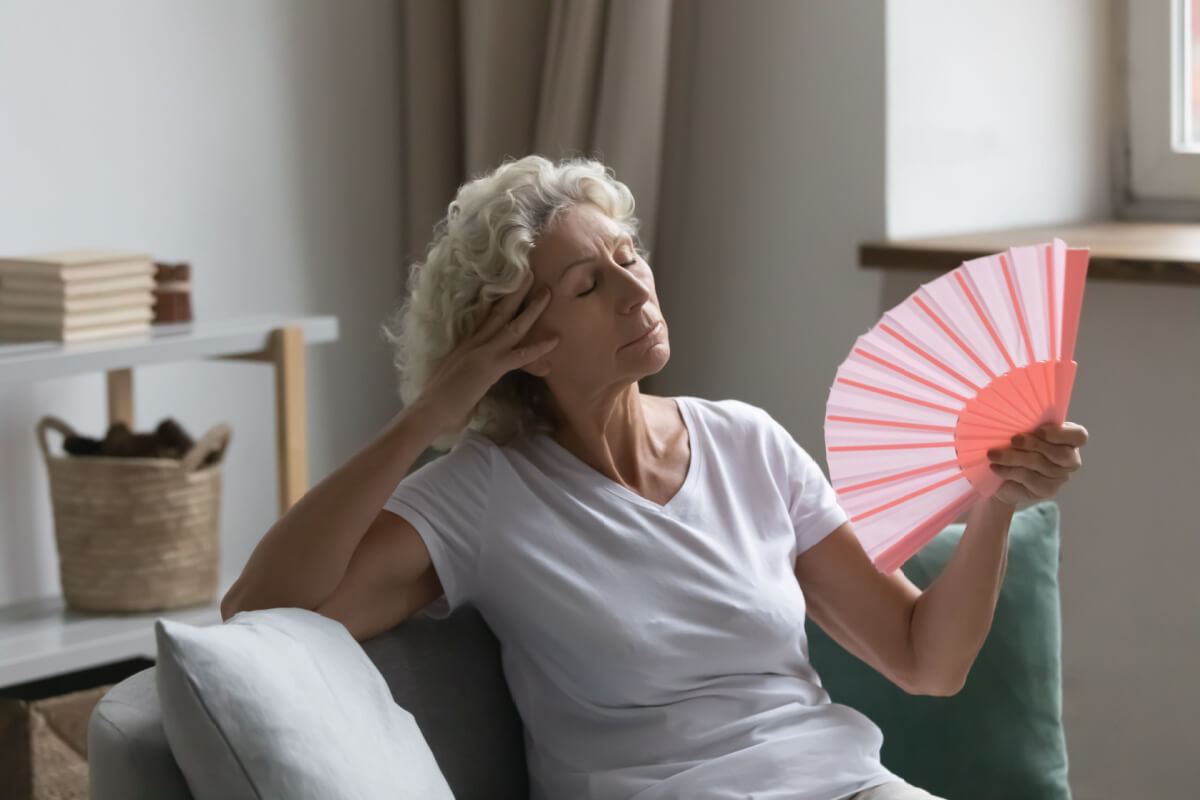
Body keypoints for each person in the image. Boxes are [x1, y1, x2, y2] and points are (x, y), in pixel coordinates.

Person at [221, 155, 1086, 800]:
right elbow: (259, 612)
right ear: (516, 341)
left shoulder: (748, 442)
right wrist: (430, 415)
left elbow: (924, 659)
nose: (636, 293)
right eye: (590, 285)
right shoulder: (481, 493)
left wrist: (995, 504)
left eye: (628, 258)